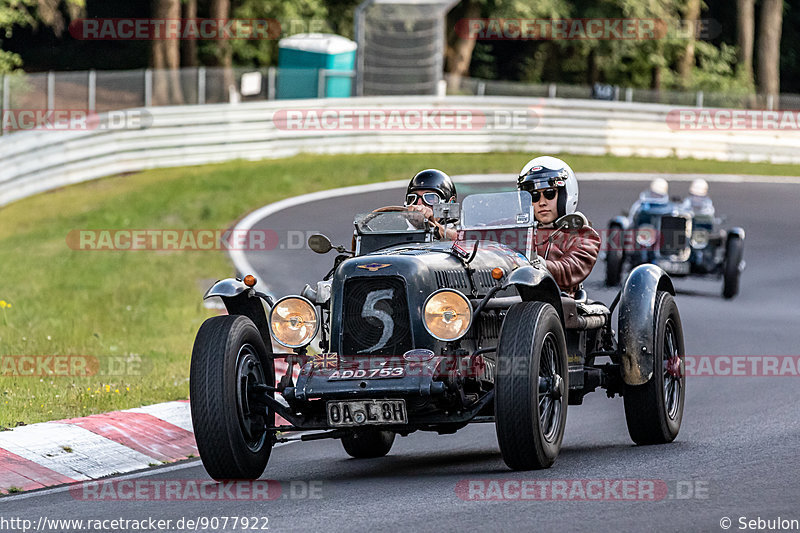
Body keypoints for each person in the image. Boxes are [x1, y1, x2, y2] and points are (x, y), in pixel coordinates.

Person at [517, 156, 601, 296]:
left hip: (558, 303)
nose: (541, 202)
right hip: (513, 299)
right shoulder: (517, 231)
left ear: (565, 195)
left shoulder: (583, 235)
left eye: (549, 194)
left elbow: (569, 270)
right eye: (534, 197)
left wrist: (537, 265)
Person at [404, 169, 459, 240]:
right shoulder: (398, 230)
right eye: (413, 198)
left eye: (430, 197)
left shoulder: (464, 230)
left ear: (450, 203)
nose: (419, 203)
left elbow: (459, 238)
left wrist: (432, 225)